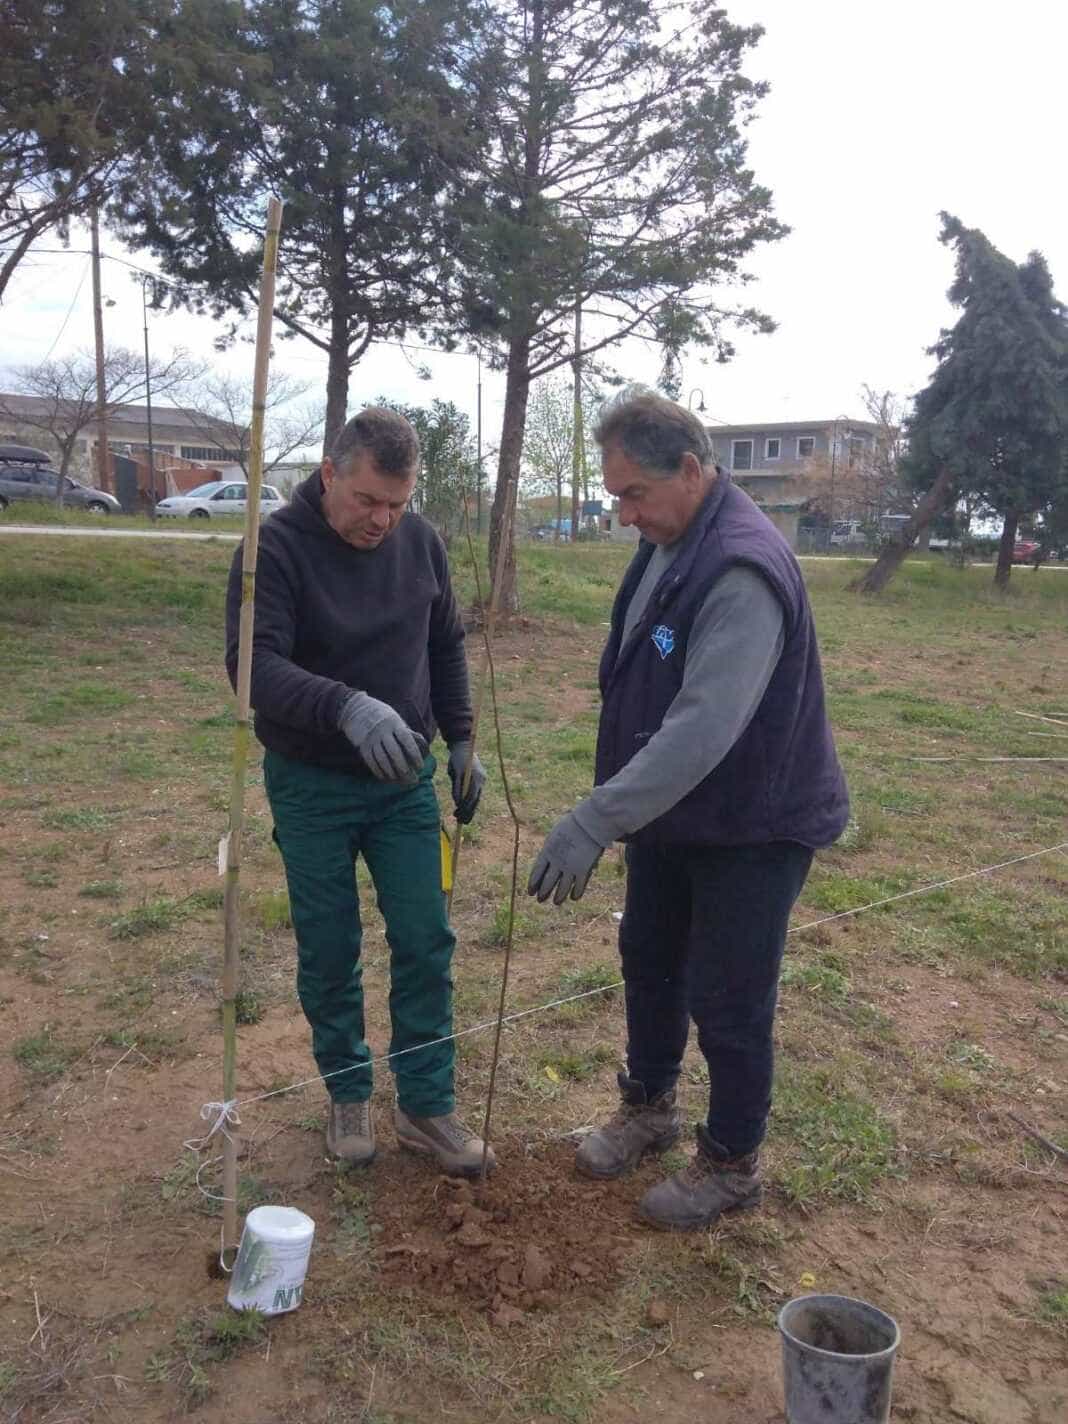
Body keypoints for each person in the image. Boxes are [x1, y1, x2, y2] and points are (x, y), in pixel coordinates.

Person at [528, 390, 848, 1230]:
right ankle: (649, 1108)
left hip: (753, 821)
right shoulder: (671, 538)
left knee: (730, 995)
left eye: (633, 493)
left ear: (694, 471)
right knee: (650, 955)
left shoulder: (741, 567)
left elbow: (705, 726)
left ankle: (732, 1163)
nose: (622, 512)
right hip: (677, 816)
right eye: (616, 494)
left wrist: (597, 817)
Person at [226, 406, 493, 1176]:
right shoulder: (272, 551)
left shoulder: (421, 544)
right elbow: (254, 667)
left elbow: (445, 642)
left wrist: (462, 737)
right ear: (329, 472)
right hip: (309, 784)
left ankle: (425, 1104)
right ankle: (347, 1092)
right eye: (369, 501)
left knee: (425, 937)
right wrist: (345, 705)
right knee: (330, 945)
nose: (383, 520)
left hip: (404, 781)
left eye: (398, 505)